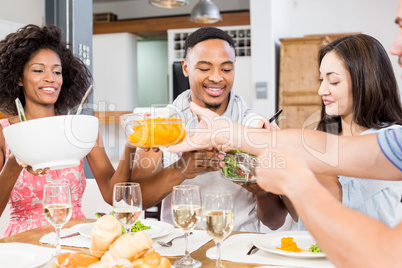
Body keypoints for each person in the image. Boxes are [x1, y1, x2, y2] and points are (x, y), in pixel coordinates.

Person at [131, 27, 283, 232]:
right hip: (179, 245)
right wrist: (181, 169)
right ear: (185, 67)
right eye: (204, 69)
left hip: (239, 247)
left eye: (226, 69)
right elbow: (136, 200)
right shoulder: (162, 123)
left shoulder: (255, 127)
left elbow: (275, 222)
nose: (217, 78)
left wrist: (262, 192)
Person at [0, 24, 136, 237]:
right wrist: (14, 164)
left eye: (57, 71)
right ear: (18, 78)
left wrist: (131, 145)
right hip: (24, 245)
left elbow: (113, 194)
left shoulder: (81, 129)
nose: (50, 78)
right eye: (38, 70)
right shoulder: (5, 132)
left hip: (75, 242)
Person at [290, 33, 402, 229]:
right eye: (321, 79)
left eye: (333, 81)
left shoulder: (389, 140)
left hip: (362, 257)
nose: (322, 90)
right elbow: (302, 211)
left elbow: (337, 200)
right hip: (308, 256)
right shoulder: (323, 132)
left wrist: (292, 156)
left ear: (365, 81)